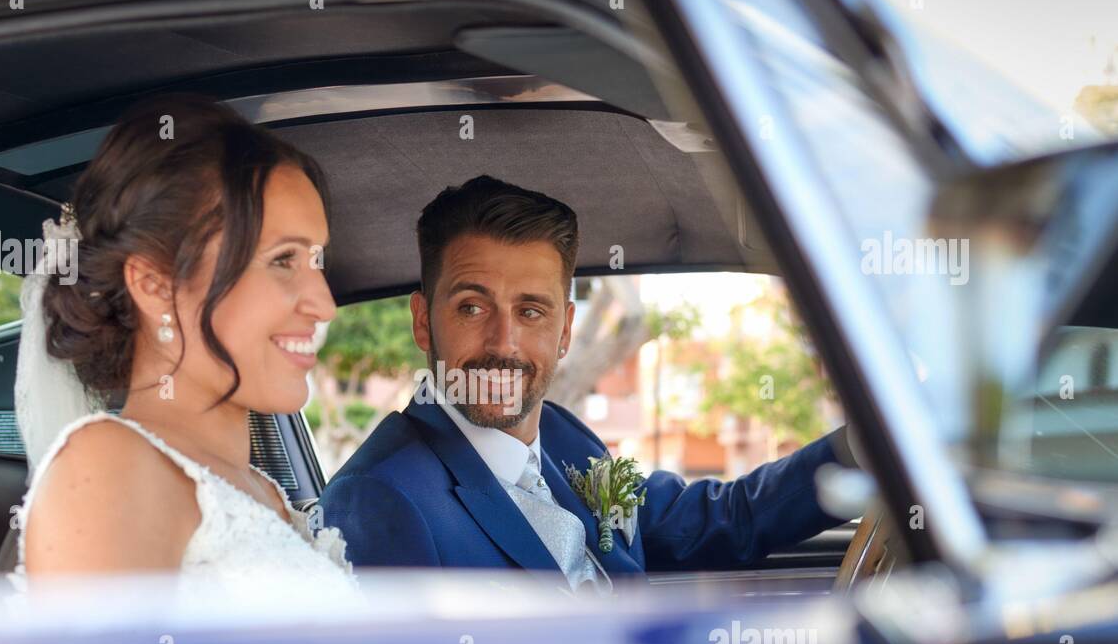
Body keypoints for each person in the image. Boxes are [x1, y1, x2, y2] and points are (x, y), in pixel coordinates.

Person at [319, 175, 855, 593]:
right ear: (422, 321)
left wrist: (865, 452)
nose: (503, 343)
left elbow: (720, 521)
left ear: (566, 332)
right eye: (472, 306)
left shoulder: (564, 437)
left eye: (531, 311)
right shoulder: (378, 500)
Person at [8, 93, 354, 594]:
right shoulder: (109, 467)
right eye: (283, 260)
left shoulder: (264, 491)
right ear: (154, 285)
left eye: (317, 262)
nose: (324, 305)